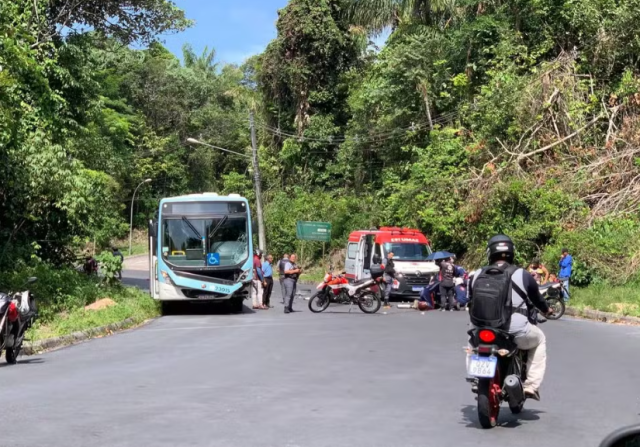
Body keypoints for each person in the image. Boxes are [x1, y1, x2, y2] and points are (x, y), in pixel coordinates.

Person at [468, 235, 554, 400]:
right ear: (512, 252)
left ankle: (476, 378)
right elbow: (537, 299)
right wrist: (547, 310)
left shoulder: (477, 274)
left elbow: (470, 301)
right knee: (540, 339)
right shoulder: (522, 274)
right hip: (514, 330)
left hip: (482, 328)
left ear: (490, 253)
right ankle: (531, 386)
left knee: (472, 345)